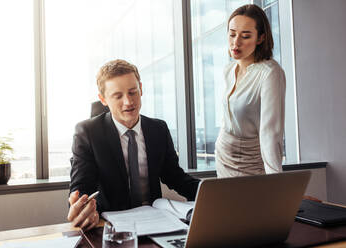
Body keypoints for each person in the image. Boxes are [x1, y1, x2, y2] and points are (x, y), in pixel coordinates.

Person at [67, 59, 200, 230]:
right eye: (118, 96)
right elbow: (82, 186)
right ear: (103, 99)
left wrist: (208, 194)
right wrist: (82, 208)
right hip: (110, 227)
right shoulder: (88, 132)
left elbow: (175, 177)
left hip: (156, 223)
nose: (128, 102)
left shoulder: (158, 129)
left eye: (132, 92)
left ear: (141, 89)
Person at [215, 4, 286, 178]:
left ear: (261, 38)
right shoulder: (228, 71)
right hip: (224, 158)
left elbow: (271, 133)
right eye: (232, 34)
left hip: (251, 163)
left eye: (245, 36)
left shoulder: (270, 73)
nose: (236, 42)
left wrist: (277, 182)